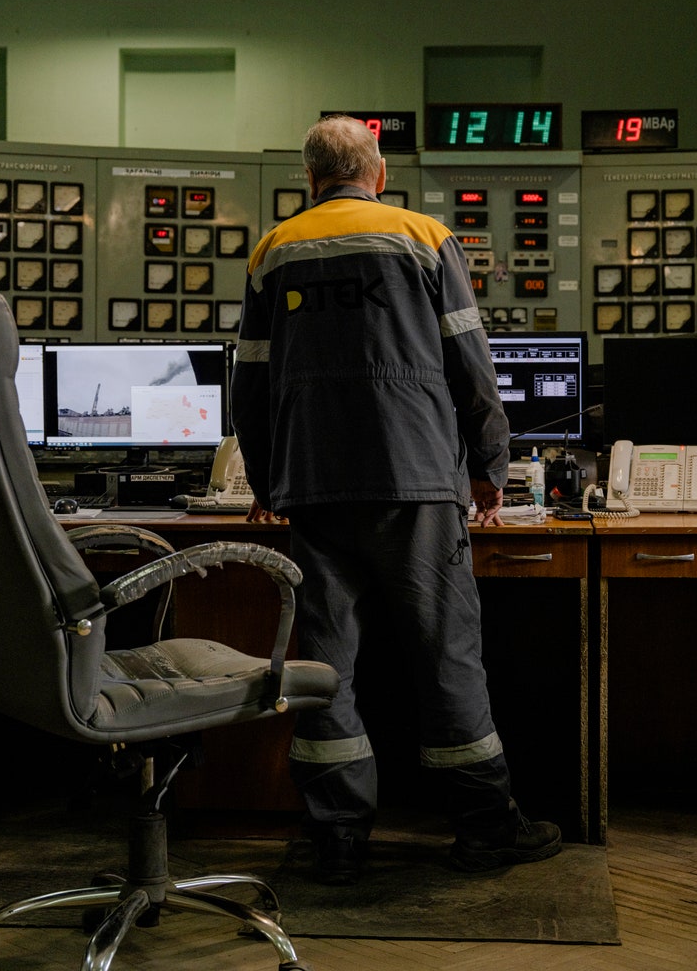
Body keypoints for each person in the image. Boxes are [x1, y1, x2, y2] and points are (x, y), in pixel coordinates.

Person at [230, 114, 562, 885]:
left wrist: (267, 478)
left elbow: (249, 380)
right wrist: (490, 466)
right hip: (416, 484)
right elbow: (470, 367)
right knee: (446, 658)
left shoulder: (273, 249)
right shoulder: (424, 234)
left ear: (308, 180)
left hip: (314, 487)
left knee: (325, 667)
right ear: (377, 173)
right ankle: (485, 828)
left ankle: (337, 838)